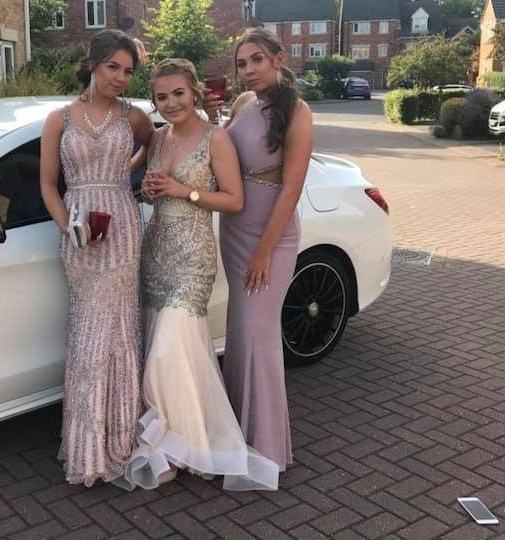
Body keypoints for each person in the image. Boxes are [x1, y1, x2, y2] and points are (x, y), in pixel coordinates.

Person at [114, 58, 279, 491]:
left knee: (168, 351)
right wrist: (151, 190)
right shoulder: (159, 139)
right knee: (174, 354)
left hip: (193, 257)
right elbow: (150, 189)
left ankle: (178, 444)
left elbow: (235, 200)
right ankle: (181, 440)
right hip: (157, 252)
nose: (171, 103)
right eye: (161, 97)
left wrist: (181, 189)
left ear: (195, 93)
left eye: (178, 94)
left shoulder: (216, 138)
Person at [39, 29, 155, 486]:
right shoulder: (59, 118)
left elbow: (156, 146)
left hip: (122, 228)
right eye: (113, 67)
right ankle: (87, 449)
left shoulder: (135, 116)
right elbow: (49, 184)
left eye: (128, 71)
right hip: (78, 233)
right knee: (88, 335)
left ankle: (118, 444)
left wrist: (126, 175)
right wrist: (67, 225)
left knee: (119, 332)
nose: (121, 78)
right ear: (93, 64)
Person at [203, 28, 314, 471]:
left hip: (272, 234)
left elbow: (290, 191)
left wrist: (264, 252)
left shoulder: (299, 113)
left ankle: (266, 448)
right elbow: (223, 156)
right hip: (234, 228)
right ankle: (238, 432)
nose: (248, 70)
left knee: (259, 335)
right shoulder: (243, 104)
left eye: (256, 61)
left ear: (278, 59)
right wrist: (213, 121)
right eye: (242, 63)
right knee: (239, 331)